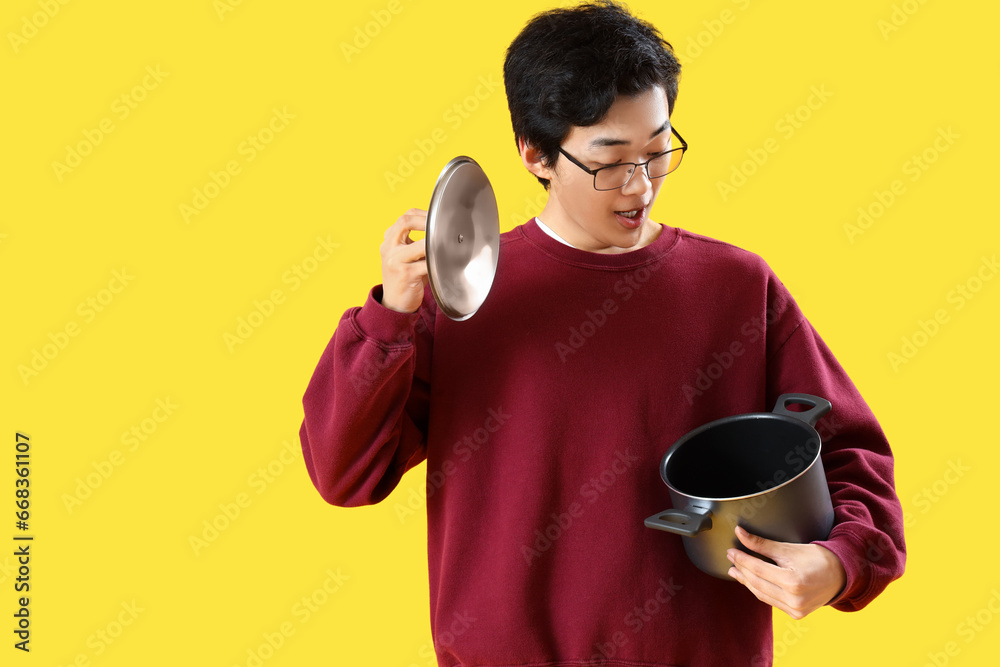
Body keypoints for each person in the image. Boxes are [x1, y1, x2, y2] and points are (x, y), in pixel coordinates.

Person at [299, 2, 905, 665]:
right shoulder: (459, 298)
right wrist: (389, 316)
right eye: (610, 161)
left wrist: (840, 561)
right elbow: (342, 473)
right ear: (535, 153)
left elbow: (852, 455)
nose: (640, 184)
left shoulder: (736, 286)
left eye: (657, 150)